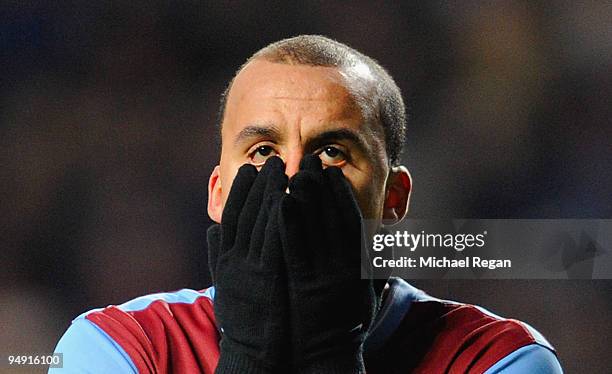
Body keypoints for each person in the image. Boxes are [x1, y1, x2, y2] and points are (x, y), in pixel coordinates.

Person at [50, 35, 563, 373]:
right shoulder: (120, 347)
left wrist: (330, 354)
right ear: (217, 192)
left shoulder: (498, 359)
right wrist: (249, 356)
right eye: (263, 151)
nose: (292, 180)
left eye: (331, 152)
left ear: (394, 198)